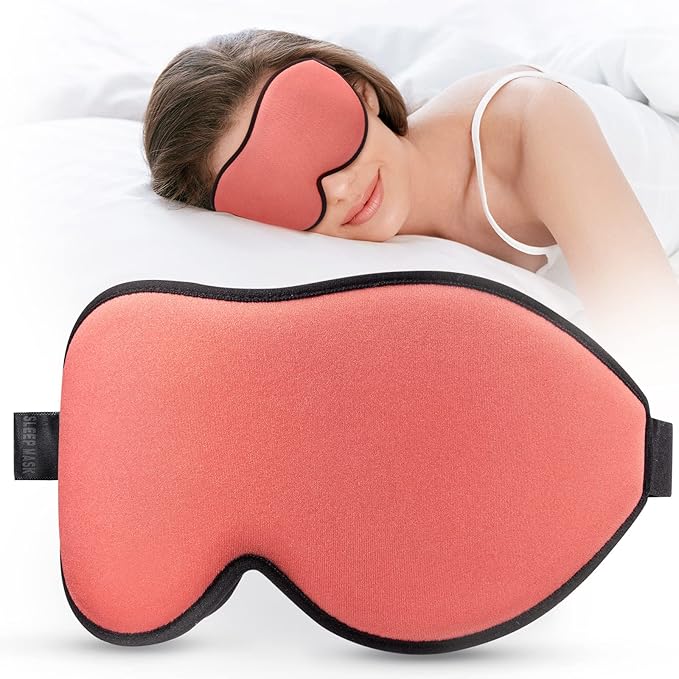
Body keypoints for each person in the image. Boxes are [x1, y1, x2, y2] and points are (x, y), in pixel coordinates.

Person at [143, 28, 679, 406]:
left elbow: (652, 355)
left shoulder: (531, 124)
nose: (341, 188)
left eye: (320, 133)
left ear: (361, 92)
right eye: (275, 189)